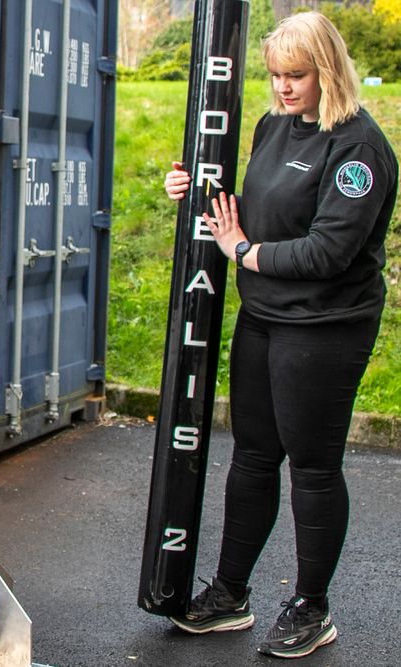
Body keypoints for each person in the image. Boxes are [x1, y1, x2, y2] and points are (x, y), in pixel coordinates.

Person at [162, 11, 397, 660]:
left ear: (328, 71)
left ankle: (311, 606)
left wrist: (243, 254)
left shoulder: (360, 150)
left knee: (314, 468)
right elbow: (252, 211)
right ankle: (231, 594)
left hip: (325, 326)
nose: (284, 87)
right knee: (254, 456)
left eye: (297, 75)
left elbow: (328, 251)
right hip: (263, 317)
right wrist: (194, 193)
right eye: (275, 76)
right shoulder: (274, 126)